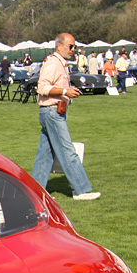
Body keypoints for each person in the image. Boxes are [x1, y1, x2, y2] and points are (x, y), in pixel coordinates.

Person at [31, 33, 99, 201]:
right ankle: (81, 190)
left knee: (45, 155)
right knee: (68, 152)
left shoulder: (62, 64)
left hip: (53, 112)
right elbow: (42, 87)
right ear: (59, 46)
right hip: (52, 112)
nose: (73, 50)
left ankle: (34, 192)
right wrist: (64, 92)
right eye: (70, 46)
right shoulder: (53, 63)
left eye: (74, 46)